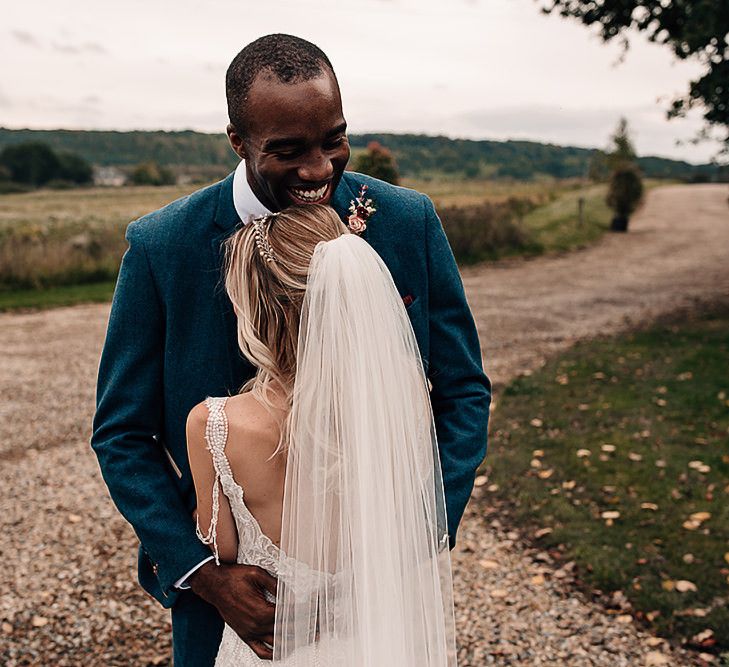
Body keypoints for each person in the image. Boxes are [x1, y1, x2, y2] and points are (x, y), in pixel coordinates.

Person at [91, 33, 490, 666]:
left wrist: (412, 539)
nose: (319, 170)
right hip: (233, 611)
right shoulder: (163, 248)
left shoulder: (406, 222)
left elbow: (463, 392)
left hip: (377, 598)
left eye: (334, 139)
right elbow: (122, 434)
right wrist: (204, 575)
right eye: (288, 150)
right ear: (238, 142)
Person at [188, 204, 457, 665]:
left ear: (252, 307)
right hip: (374, 644)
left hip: (273, 649)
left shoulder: (215, 425)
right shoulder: (401, 397)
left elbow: (221, 546)